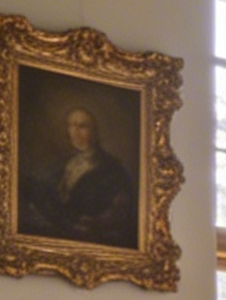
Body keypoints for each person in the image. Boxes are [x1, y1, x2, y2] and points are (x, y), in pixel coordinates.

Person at [20, 103, 138, 250]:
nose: (75, 132)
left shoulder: (113, 170)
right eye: (71, 125)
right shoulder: (61, 164)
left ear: (96, 131)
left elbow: (118, 218)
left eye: (82, 126)